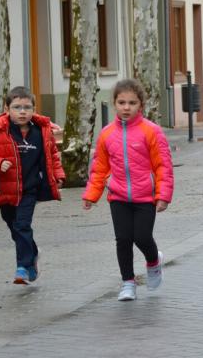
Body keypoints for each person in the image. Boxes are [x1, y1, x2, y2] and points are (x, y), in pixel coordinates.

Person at [83, 79, 174, 301]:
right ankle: (128, 282)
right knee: (123, 239)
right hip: (118, 196)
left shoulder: (151, 132)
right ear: (114, 103)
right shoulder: (106, 134)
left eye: (132, 103)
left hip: (145, 196)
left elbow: (163, 165)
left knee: (142, 237)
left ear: (140, 105)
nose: (126, 107)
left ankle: (153, 262)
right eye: (121, 102)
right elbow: (99, 168)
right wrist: (91, 195)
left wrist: (163, 195)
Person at [0, 86, 65, 285]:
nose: (22, 111)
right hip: (5, 189)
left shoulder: (42, 131)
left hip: (29, 189)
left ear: (34, 109)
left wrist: (58, 175)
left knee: (22, 225)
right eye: (17, 107)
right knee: (13, 226)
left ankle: (23, 267)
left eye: (27, 107)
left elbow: (52, 155)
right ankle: (32, 253)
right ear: (7, 109)